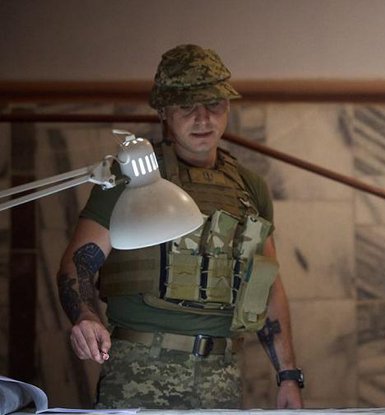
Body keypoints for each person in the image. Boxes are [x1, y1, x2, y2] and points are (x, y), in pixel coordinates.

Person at [55, 44, 304, 409]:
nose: (203, 119)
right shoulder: (130, 179)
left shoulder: (250, 188)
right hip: (140, 368)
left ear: (228, 106)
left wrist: (288, 375)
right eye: (187, 106)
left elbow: (269, 285)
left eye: (214, 104)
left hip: (220, 371)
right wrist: (86, 316)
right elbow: (78, 262)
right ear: (164, 111)